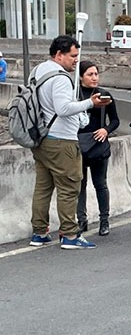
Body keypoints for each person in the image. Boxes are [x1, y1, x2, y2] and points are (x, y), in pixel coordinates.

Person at [28, 35, 111, 250]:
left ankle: (39, 232)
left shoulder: (37, 71)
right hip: (62, 140)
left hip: (41, 139)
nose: (76, 60)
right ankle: (70, 235)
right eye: (73, 56)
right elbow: (63, 109)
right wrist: (89, 103)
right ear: (59, 55)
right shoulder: (61, 78)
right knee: (69, 186)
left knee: (43, 187)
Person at [76, 60, 120, 237]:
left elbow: (116, 120)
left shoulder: (104, 95)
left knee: (100, 184)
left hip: (98, 146)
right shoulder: (75, 96)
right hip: (78, 145)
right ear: (80, 77)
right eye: (90, 74)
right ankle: (81, 220)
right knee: (80, 185)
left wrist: (106, 130)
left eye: (96, 74)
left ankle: (104, 221)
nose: (94, 78)